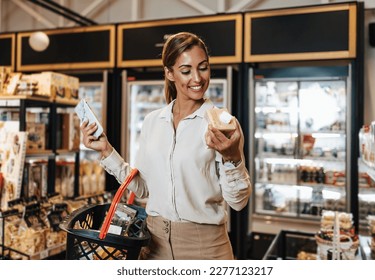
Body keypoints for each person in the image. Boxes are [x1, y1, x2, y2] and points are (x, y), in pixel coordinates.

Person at [80, 32, 252, 260]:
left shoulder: (222, 124)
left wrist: (232, 158)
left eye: (203, 67)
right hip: (154, 246)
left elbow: (238, 202)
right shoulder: (153, 121)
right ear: (169, 73)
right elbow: (143, 189)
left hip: (204, 249)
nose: (197, 78)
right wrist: (106, 150)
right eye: (186, 71)